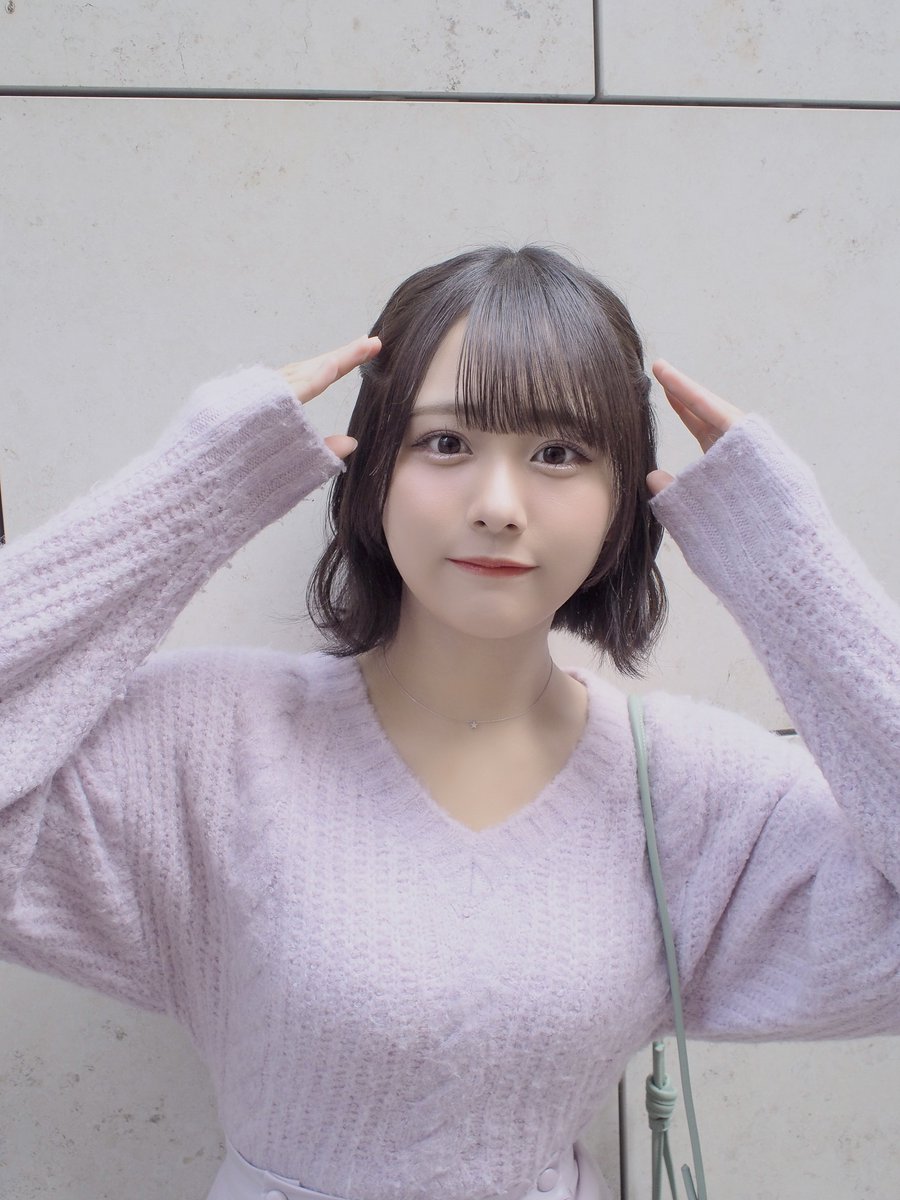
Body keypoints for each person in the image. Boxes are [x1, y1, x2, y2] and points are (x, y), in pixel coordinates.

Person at [1, 245, 898, 1200]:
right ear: (374, 469)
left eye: (559, 454)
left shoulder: (687, 786)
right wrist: (187, 497)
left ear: (621, 498)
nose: (499, 506)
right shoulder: (212, 741)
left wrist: (790, 574)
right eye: (445, 444)